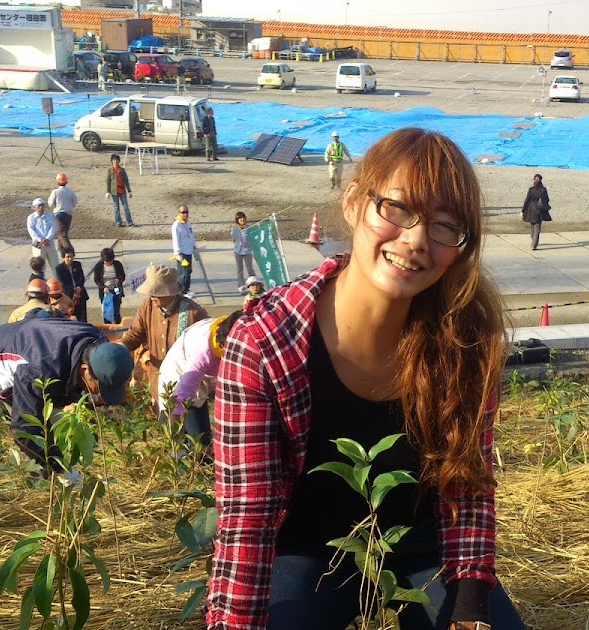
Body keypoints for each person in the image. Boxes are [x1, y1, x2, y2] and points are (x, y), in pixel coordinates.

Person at [204, 128, 524, 630]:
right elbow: (247, 523)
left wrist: (470, 609)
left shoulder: (464, 342)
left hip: (420, 546)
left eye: (444, 225)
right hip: (305, 551)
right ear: (354, 202)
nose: (416, 240)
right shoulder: (265, 343)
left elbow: (469, 489)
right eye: (396, 208)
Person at [0, 318, 133, 470]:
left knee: (45, 432)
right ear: (85, 369)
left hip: (16, 368)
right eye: (98, 387)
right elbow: (23, 430)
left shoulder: (99, 348)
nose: (97, 393)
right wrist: (60, 469)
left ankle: (47, 491)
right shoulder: (40, 369)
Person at [118, 264, 208, 400]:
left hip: (186, 385)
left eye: (156, 292)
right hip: (157, 381)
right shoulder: (146, 306)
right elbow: (136, 334)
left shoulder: (193, 312)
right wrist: (119, 348)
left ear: (170, 292)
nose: (152, 296)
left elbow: (205, 350)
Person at [159, 311, 241, 448]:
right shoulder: (202, 354)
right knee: (189, 438)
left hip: (206, 376)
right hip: (179, 369)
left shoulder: (237, 329)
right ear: (222, 345)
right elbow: (183, 393)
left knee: (202, 437)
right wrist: (174, 432)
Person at [26, 198, 59, 278]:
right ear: (35, 207)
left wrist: (47, 239)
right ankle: (40, 282)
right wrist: (40, 240)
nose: (41, 207)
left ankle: (59, 282)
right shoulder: (31, 218)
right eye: (39, 206)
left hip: (49, 242)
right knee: (39, 266)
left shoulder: (49, 215)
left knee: (55, 264)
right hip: (39, 245)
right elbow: (31, 231)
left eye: (42, 205)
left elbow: (53, 228)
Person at [55, 246, 88, 323]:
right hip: (69, 296)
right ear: (63, 257)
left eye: (71, 256)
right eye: (67, 257)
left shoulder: (77, 265)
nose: (70, 259)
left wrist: (79, 287)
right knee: (71, 316)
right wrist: (73, 290)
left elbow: (81, 278)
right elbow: (62, 283)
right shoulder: (59, 268)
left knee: (83, 317)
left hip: (80, 294)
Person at [93, 248, 126, 324]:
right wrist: (103, 287)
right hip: (105, 292)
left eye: (110, 261)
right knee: (107, 313)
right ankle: (108, 329)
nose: (108, 263)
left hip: (115, 290)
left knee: (116, 312)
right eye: (106, 262)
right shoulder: (98, 266)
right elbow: (97, 279)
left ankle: (118, 327)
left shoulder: (117, 264)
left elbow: (123, 276)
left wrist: (119, 280)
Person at [48, 172, 77, 257]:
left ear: (57, 182)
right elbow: (74, 202)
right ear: (66, 182)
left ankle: (70, 251)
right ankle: (62, 251)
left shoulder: (55, 192)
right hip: (69, 214)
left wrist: (55, 207)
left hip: (59, 215)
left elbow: (50, 203)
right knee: (63, 233)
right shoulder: (70, 191)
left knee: (61, 234)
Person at [521, 173, 550, 251]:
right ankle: (534, 244)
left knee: (532, 226)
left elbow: (527, 200)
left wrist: (523, 210)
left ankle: (533, 241)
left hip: (531, 209)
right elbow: (547, 199)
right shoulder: (543, 189)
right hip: (539, 209)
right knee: (537, 227)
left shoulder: (531, 189)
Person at [172, 204, 196, 293]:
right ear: (179, 213)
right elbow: (175, 240)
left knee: (188, 271)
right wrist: (177, 252)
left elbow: (191, 236)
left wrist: (194, 248)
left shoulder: (188, 224)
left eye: (187, 212)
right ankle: (182, 292)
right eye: (183, 212)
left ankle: (187, 289)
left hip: (189, 251)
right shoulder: (176, 225)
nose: (185, 214)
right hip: (182, 252)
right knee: (183, 274)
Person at [106, 154, 134, 227]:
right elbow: (108, 181)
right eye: (114, 160)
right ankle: (118, 222)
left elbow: (126, 181)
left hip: (122, 191)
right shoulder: (110, 171)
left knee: (126, 207)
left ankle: (129, 222)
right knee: (116, 208)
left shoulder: (122, 170)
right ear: (112, 161)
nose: (115, 161)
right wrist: (108, 192)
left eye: (116, 160)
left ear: (118, 161)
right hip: (114, 192)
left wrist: (129, 191)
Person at [230, 211, 256, 291]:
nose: (242, 220)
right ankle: (241, 285)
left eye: (243, 218)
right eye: (240, 218)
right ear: (237, 220)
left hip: (247, 250)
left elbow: (252, 238)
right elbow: (233, 239)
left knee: (249, 268)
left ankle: (254, 283)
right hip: (238, 251)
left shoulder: (249, 228)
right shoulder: (234, 229)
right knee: (239, 269)